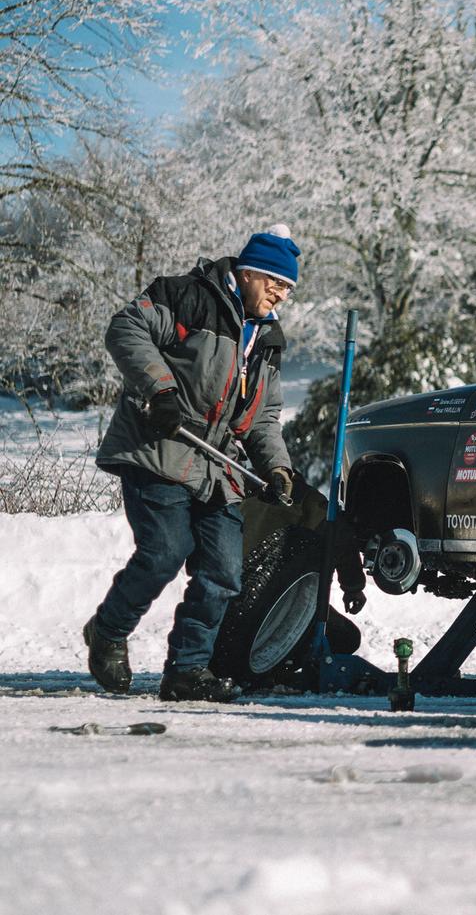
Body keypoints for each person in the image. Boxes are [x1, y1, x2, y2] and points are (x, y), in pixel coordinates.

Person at [83, 225, 302, 703]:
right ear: (248, 273)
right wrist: (159, 389)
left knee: (224, 570)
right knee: (166, 550)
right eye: (275, 283)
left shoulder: (268, 339)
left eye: (287, 289)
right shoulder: (185, 297)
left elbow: (262, 417)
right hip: (160, 446)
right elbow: (127, 327)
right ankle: (107, 630)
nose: (280, 295)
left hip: (216, 466)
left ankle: (187, 670)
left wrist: (277, 468)